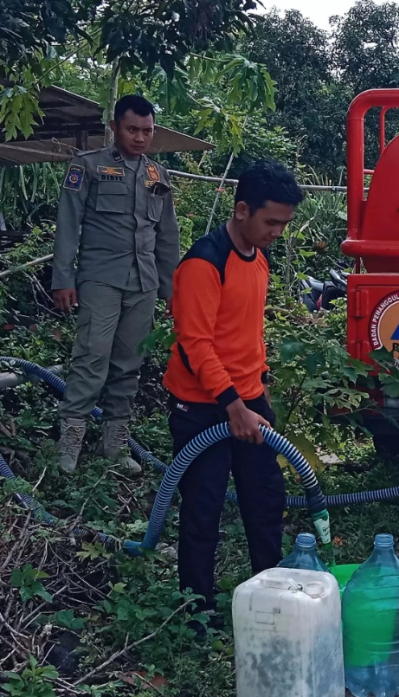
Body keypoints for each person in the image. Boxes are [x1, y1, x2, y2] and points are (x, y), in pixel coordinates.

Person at [162, 160, 303, 629]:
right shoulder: (205, 262)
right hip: (204, 407)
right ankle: (195, 611)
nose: (277, 232)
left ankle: (271, 600)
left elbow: (244, 331)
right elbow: (195, 344)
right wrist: (233, 406)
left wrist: (254, 390)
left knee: (265, 502)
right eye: (271, 222)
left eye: (284, 223)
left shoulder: (258, 258)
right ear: (242, 209)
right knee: (202, 510)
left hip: (248, 402)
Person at [51, 94, 180, 474]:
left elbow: (167, 237)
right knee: (92, 358)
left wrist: (172, 290)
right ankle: (69, 445)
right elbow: (68, 225)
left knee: (129, 364)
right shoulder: (88, 166)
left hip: (144, 283)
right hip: (100, 279)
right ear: (115, 128)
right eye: (133, 129)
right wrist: (63, 278)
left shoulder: (158, 175)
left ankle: (115, 446)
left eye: (148, 131)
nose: (140, 138)